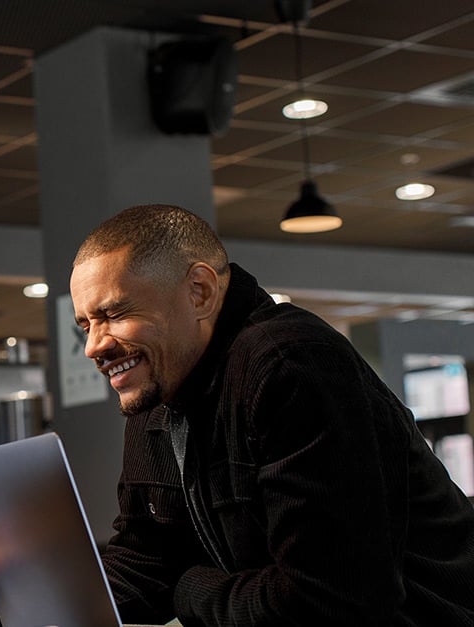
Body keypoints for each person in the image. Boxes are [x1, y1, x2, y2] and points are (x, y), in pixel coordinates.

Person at [64, 204, 474, 626]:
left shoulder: (291, 367)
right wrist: (4, 603)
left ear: (199, 291)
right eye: (85, 325)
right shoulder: (160, 389)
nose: (94, 346)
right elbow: (147, 557)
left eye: (113, 314)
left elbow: (329, 602)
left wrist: (188, 588)